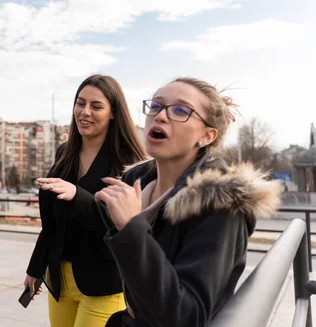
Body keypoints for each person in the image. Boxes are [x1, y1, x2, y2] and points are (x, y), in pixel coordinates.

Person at [95, 77, 282, 327]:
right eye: (156, 106)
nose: (160, 116)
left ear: (207, 136)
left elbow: (187, 317)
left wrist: (131, 229)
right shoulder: (135, 184)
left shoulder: (220, 205)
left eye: (181, 110)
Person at [25, 75, 147, 327]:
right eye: (80, 103)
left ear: (113, 112)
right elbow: (52, 222)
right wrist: (36, 268)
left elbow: (126, 227)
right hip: (60, 280)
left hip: (104, 282)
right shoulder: (64, 152)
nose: (85, 112)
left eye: (96, 106)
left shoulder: (130, 160)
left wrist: (78, 196)